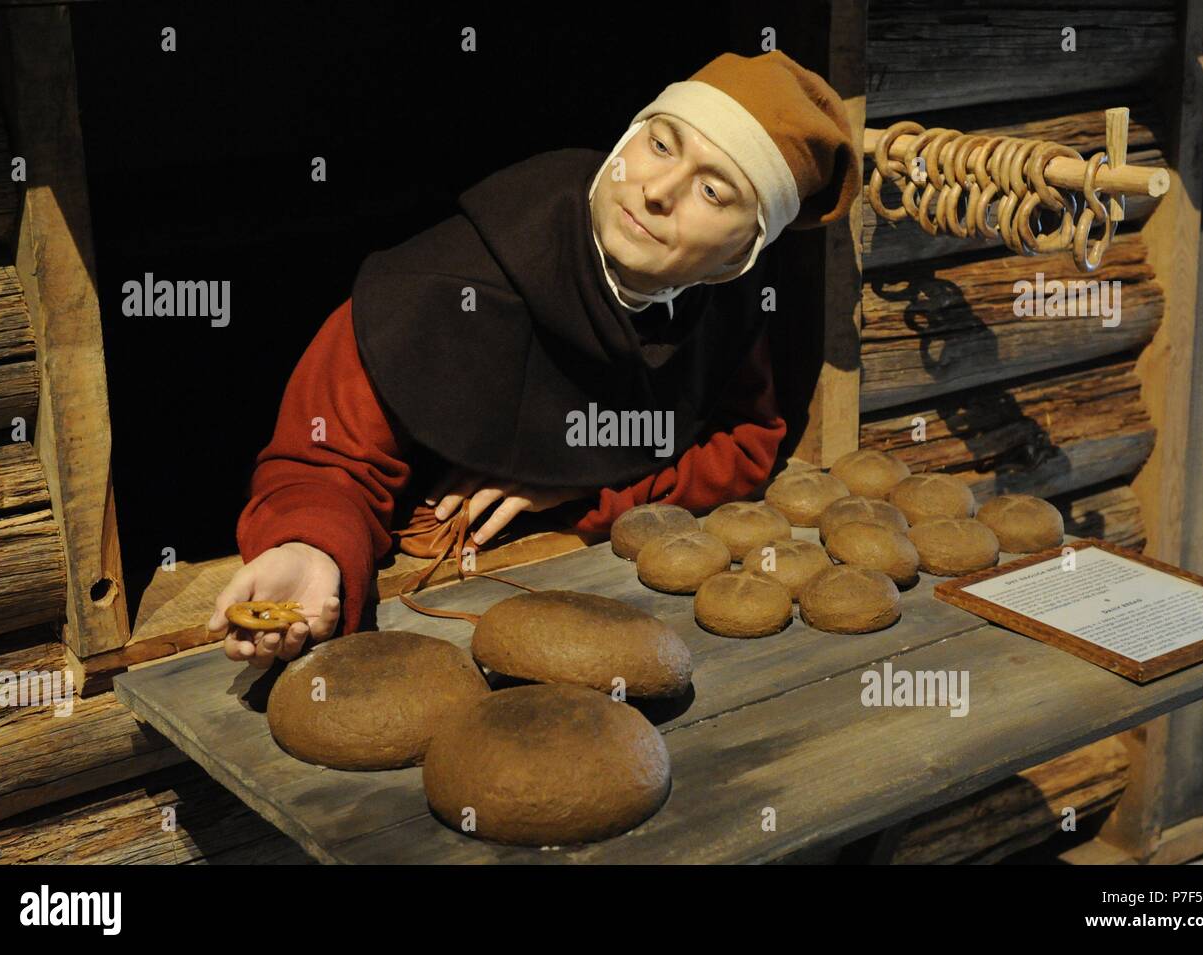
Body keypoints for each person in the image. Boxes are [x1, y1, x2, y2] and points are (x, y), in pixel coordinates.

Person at [207, 49, 860, 669]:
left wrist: (585, 481)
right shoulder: (437, 289)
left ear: (738, 254)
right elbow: (323, 462)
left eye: (714, 192)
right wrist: (310, 547)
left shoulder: (723, 305)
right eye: (661, 144)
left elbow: (745, 445)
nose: (658, 190)